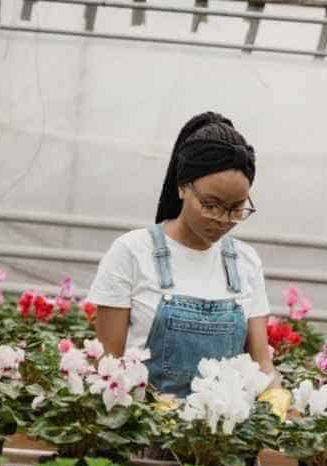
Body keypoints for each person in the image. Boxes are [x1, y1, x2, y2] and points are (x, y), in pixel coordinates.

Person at [87, 111, 290, 417]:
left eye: (236, 209)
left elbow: (262, 364)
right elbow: (108, 364)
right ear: (182, 186)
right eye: (211, 205)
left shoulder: (245, 262)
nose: (223, 219)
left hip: (222, 431)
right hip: (144, 429)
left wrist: (274, 395)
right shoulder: (132, 253)